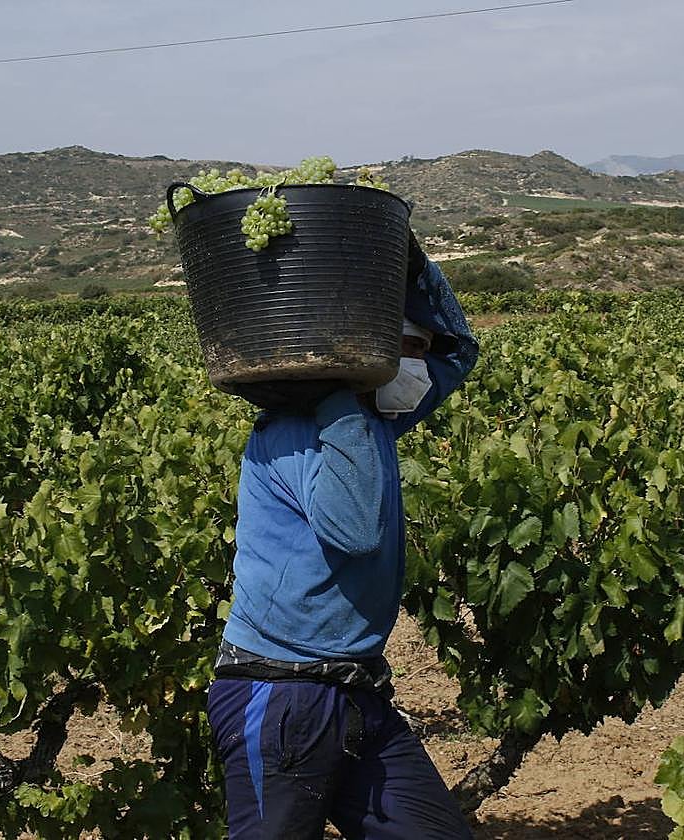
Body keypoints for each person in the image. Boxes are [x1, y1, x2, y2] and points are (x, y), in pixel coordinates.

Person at [206, 232, 479, 839]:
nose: (420, 366)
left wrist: (417, 269)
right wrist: (336, 397)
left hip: (358, 691)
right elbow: (354, 532)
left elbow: (459, 353)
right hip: (282, 697)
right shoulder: (302, 430)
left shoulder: (374, 416)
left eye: (422, 350)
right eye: (410, 349)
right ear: (368, 355)